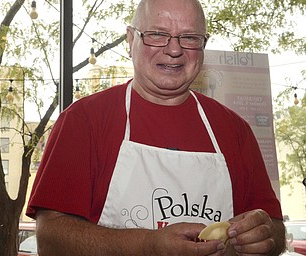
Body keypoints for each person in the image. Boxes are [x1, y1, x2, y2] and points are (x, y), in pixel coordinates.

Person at [26, 0, 286, 255]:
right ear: (130, 40)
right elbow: (51, 239)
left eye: (190, 38)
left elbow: (273, 228)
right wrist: (149, 246)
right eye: (158, 35)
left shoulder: (235, 130)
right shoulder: (83, 120)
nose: (174, 50)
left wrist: (263, 236)